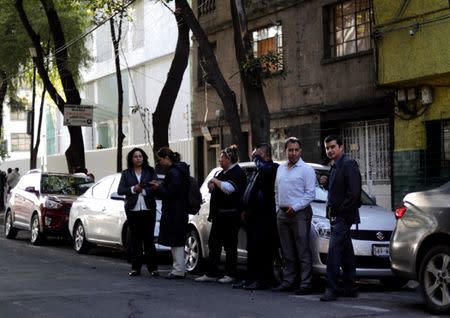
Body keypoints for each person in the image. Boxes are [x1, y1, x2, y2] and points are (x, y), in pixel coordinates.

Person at [195, 145, 247, 284]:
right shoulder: (221, 173)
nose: (219, 160)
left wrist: (215, 182)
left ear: (229, 159)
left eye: (222, 158)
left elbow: (229, 188)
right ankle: (211, 272)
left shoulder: (237, 173)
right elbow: (213, 186)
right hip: (219, 216)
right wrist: (211, 185)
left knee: (230, 246)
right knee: (214, 243)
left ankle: (230, 274)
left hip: (230, 215)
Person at [272, 137, 316, 295]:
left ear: (300, 151)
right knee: (287, 251)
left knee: (302, 250)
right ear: (285, 151)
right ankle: (288, 281)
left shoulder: (307, 170)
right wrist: (278, 208)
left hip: (299, 214)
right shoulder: (281, 169)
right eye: (290, 150)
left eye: (296, 150)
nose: (293, 153)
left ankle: (306, 283)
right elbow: (276, 191)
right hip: (282, 214)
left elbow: (310, 194)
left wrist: (295, 208)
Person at [320, 134, 361, 301]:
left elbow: (355, 194)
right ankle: (350, 286)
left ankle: (331, 289)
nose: (330, 150)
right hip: (335, 216)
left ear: (341, 147)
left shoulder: (348, 163)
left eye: (332, 147)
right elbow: (338, 189)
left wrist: (341, 214)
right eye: (327, 148)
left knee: (334, 251)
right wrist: (327, 181)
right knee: (346, 251)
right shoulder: (334, 166)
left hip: (343, 216)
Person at [233, 143, 279, 290]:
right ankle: (250, 278)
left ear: (263, 153)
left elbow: (266, 171)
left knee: (263, 250)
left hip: (265, 217)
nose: (254, 157)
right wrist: (245, 209)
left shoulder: (272, 168)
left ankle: (262, 279)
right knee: (252, 249)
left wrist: (257, 158)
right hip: (253, 215)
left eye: (257, 154)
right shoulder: (256, 171)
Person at [118, 148, 159, 277]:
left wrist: (144, 191)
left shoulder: (150, 171)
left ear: (144, 158)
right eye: (135, 156)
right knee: (135, 240)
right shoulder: (126, 173)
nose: (138, 158)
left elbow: (156, 187)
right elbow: (120, 190)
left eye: (140, 156)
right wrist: (133, 189)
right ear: (131, 159)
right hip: (132, 209)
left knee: (148, 240)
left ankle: (153, 268)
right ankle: (136, 268)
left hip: (148, 209)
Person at [150, 147, 190, 279]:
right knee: (178, 240)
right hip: (180, 210)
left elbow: (171, 192)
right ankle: (180, 268)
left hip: (174, 211)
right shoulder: (181, 170)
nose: (160, 162)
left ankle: (178, 269)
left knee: (175, 240)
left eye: (160, 159)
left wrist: (159, 187)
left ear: (167, 158)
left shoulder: (173, 172)